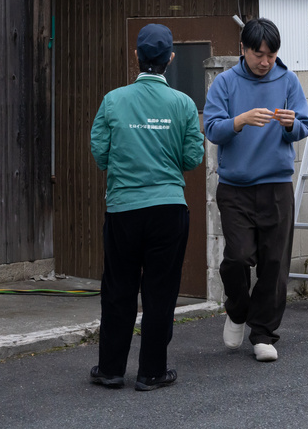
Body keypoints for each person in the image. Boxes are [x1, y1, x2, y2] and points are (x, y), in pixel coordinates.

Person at [88, 24, 205, 391]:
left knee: (119, 288)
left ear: (137, 55)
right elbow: (193, 157)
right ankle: (152, 372)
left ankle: (110, 369)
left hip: (123, 209)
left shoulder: (113, 100)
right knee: (160, 291)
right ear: (170, 58)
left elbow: (100, 153)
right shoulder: (183, 104)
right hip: (168, 209)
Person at [203, 17, 308, 363]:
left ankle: (263, 334)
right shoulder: (225, 82)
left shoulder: (288, 80)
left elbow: (304, 125)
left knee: (274, 264)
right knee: (237, 258)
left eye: (271, 54)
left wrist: (292, 124)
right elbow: (212, 129)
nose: (265, 62)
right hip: (235, 187)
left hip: (277, 186)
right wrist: (240, 120)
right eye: (258, 54)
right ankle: (237, 310)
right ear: (243, 49)